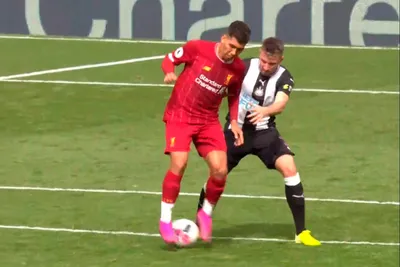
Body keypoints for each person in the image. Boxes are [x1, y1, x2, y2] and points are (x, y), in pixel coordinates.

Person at [196, 37, 321, 246]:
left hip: (265, 133)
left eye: (271, 63)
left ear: (280, 60)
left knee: (289, 168)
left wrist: (266, 110)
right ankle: (201, 222)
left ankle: (302, 232)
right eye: (263, 60)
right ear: (260, 54)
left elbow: (280, 103)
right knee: (218, 173)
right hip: (235, 130)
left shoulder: (285, 77)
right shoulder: (244, 66)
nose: (265, 66)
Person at [159, 21, 252, 244]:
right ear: (223, 38)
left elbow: (233, 94)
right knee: (179, 164)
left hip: (208, 120)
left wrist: (236, 123)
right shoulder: (197, 48)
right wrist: (169, 72)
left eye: (239, 50)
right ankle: (165, 220)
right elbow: (169, 59)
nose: (233, 52)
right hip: (180, 115)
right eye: (231, 46)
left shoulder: (238, 68)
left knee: (220, 170)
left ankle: (205, 214)